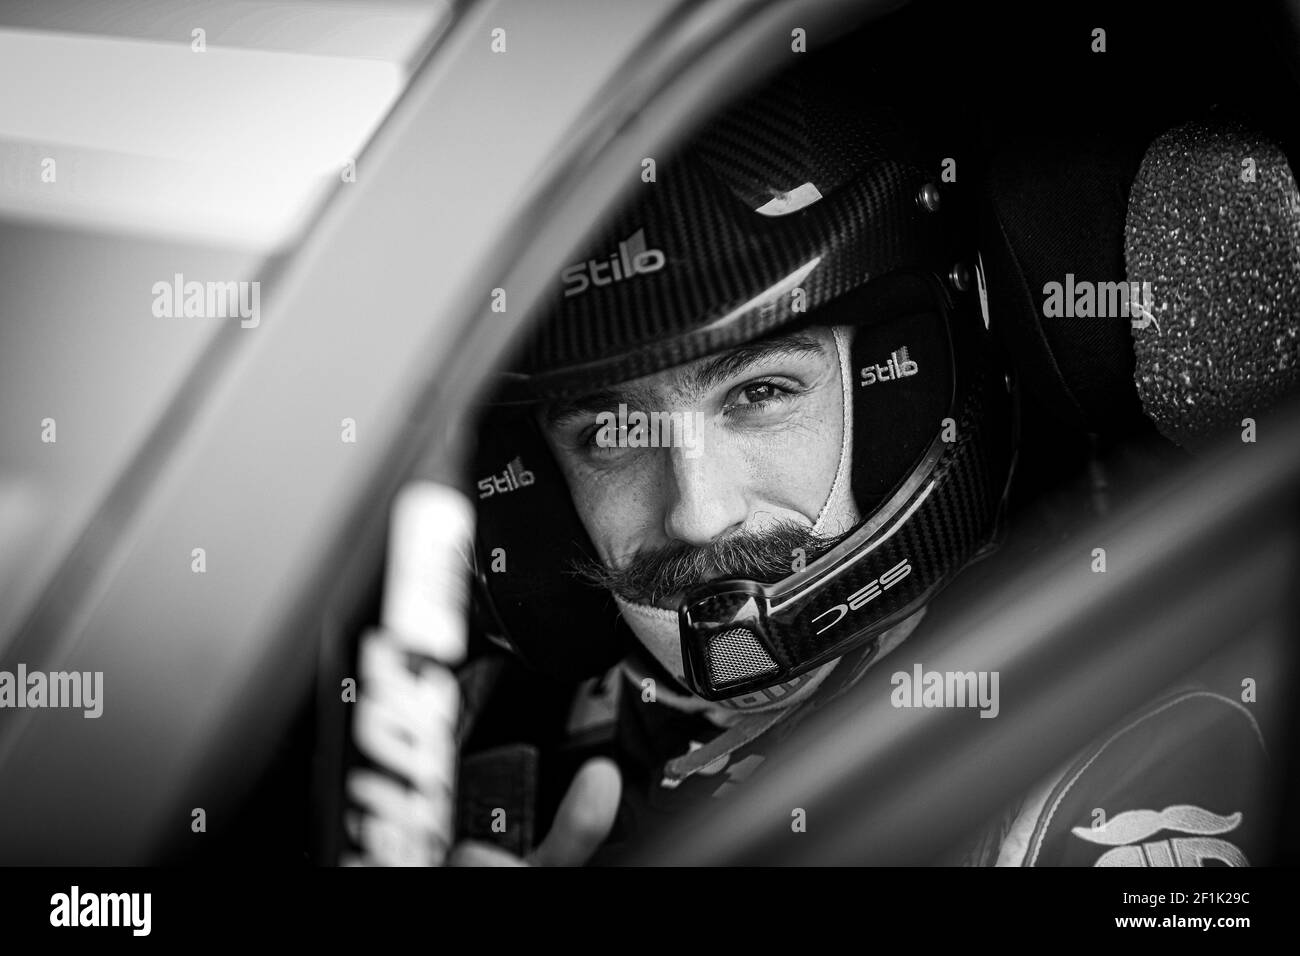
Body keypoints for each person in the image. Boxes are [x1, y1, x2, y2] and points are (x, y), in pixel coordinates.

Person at [448, 49, 1268, 867]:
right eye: (610, 436)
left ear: (906, 396)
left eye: (760, 395)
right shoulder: (486, 732)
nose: (697, 515)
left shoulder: (1117, 757)